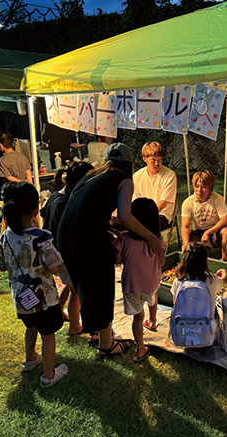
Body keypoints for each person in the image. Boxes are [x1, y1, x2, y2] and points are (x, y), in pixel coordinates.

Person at [57, 143, 163, 359]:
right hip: (85, 237)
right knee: (102, 284)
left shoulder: (92, 174)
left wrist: (108, 224)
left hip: (65, 234)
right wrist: (150, 236)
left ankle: (97, 333)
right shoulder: (124, 179)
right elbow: (125, 215)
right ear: (129, 164)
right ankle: (106, 345)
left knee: (85, 285)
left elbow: (89, 208)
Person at [0, 182, 69, 387]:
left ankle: (30, 359)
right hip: (44, 298)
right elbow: (55, 268)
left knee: (31, 327)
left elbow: (2, 266)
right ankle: (48, 376)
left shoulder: (5, 236)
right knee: (48, 335)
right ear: (34, 209)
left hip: (21, 299)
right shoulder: (42, 237)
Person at [40, 161, 93, 336]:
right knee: (77, 291)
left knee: (70, 285)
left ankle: (60, 310)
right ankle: (75, 326)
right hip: (62, 253)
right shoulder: (64, 203)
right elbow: (67, 232)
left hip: (54, 250)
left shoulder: (55, 196)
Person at [113, 198, 166, 362]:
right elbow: (162, 262)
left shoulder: (123, 238)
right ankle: (153, 320)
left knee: (137, 317)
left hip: (132, 286)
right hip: (152, 284)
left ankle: (140, 349)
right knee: (152, 298)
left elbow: (117, 260)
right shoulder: (157, 240)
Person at [181, 170, 227, 261]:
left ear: (210, 188)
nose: (199, 190)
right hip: (198, 232)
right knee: (188, 240)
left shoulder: (217, 199)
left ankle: (224, 258)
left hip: (214, 231)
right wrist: (185, 244)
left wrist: (208, 233)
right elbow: (185, 226)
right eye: (197, 186)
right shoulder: (188, 202)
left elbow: (225, 220)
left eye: (204, 187)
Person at [170, 242, 227, 313]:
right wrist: (223, 271)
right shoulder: (211, 280)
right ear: (205, 261)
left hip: (183, 322)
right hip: (206, 323)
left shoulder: (178, 281)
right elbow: (224, 280)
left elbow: (175, 304)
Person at [132, 142, 177, 231]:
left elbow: (163, 203)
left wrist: (148, 216)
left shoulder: (169, 175)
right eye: (153, 160)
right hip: (142, 215)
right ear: (145, 159)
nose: (157, 163)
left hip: (162, 215)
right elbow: (135, 201)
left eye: (160, 160)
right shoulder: (137, 176)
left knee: (144, 225)